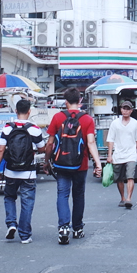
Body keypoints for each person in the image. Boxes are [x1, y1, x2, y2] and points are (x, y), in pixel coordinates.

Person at [46, 88, 100, 245]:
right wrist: (97, 163)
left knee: (62, 194)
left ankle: (63, 227)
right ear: (80, 101)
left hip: (61, 163)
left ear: (66, 102)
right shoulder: (87, 120)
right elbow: (90, 142)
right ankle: (77, 228)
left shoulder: (57, 117)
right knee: (78, 195)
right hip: (80, 164)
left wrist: (47, 161)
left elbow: (50, 143)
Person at [0, 99, 46, 243]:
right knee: (27, 201)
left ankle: (11, 224)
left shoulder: (7, 128)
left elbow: (0, 149)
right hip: (28, 171)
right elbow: (42, 148)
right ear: (29, 111)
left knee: (9, 197)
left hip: (11, 171)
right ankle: (25, 235)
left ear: (16, 111)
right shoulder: (34, 128)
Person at [104, 101, 137, 209]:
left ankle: (129, 198)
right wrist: (109, 155)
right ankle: (122, 197)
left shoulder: (135, 124)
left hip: (131, 154)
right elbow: (110, 140)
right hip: (118, 154)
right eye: (123, 108)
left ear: (131, 111)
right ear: (121, 110)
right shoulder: (115, 123)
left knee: (130, 177)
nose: (125, 110)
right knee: (119, 178)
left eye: (127, 109)